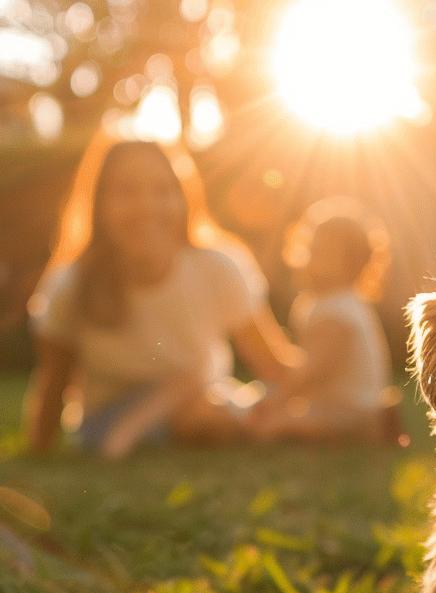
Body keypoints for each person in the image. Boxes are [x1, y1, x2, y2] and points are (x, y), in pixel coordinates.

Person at [23, 135, 301, 458]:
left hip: (204, 400)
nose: (146, 207)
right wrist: (38, 451)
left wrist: (332, 381)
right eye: (127, 192)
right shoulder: (70, 285)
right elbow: (53, 383)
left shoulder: (218, 267)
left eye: (162, 191)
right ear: (99, 204)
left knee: (210, 412)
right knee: (204, 414)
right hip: (111, 420)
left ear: (183, 199)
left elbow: (271, 364)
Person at [251, 199, 398, 442]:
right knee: (269, 404)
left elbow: (314, 371)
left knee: (274, 424)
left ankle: (373, 428)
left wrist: (277, 401)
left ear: (353, 262)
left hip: (351, 411)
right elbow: (309, 364)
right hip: (332, 405)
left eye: (325, 252)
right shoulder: (325, 302)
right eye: (312, 248)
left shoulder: (338, 310)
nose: (313, 256)